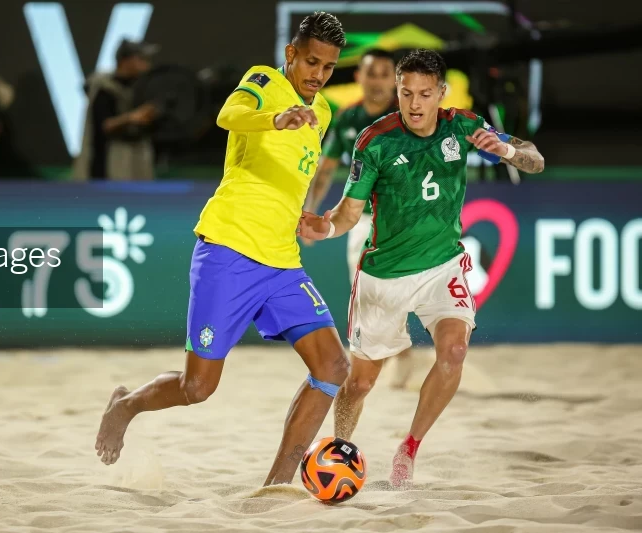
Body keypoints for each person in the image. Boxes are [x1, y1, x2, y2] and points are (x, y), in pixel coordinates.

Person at [95, 12, 351, 487]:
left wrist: (303, 216)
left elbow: (295, 176)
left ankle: (276, 487)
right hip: (229, 250)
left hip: (281, 262)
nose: (318, 74)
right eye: (311, 61)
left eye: (328, 67)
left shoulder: (325, 113)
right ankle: (126, 406)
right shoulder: (263, 80)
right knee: (198, 388)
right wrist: (276, 118)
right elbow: (226, 116)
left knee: (334, 365)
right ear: (292, 54)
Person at [298, 49, 544, 489]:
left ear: (441, 94)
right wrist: (324, 225)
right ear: (397, 90)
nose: (414, 104)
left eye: (424, 94)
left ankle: (408, 448)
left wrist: (505, 149)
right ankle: (340, 449)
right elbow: (349, 213)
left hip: (442, 267)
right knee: (360, 383)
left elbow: (535, 160)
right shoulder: (375, 140)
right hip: (384, 276)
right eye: (406, 92)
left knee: (453, 352)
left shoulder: (463, 125)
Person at [302, 48, 418, 403]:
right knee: (365, 287)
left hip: (403, 217)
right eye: (373, 73)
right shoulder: (348, 118)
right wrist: (310, 210)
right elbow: (325, 169)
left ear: (394, 80)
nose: (379, 80)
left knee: (397, 289)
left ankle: (400, 351)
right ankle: (398, 353)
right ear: (360, 77)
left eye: (386, 74)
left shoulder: (406, 117)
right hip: (360, 218)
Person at [72, 39, 159, 181]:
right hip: (107, 163)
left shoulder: (143, 86)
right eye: (141, 59)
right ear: (126, 61)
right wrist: (132, 118)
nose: (147, 64)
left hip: (137, 160)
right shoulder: (104, 86)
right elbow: (105, 125)